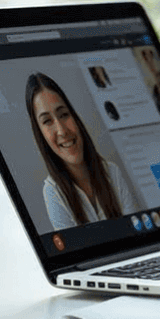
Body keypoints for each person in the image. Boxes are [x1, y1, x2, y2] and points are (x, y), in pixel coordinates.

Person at [26, 72, 144, 229]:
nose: (61, 130)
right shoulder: (53, 192)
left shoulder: (112, 172)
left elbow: (137, 234)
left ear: (74, 117)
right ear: (40, 134)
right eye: (47, 121)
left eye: (64, 114)